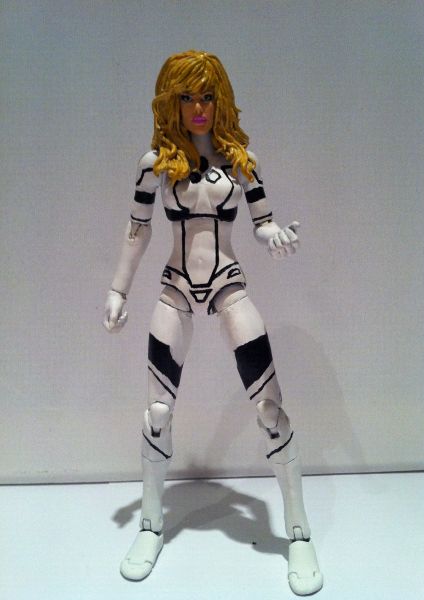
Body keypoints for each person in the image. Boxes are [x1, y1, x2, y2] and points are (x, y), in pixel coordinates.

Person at [103, 50, 323, 596]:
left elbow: (263, 221)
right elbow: (137, 230)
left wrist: (275, 236)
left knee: (270, 409)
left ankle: (298, 531)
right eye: (187, 97)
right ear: (170, 102)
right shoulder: (155, 164)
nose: (198, 107)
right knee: (158, 411)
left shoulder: (242, 161)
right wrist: (118, 288)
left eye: (206, 96)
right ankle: (151, 524)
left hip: (229, 284)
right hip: (175, 286)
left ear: (219, 100)